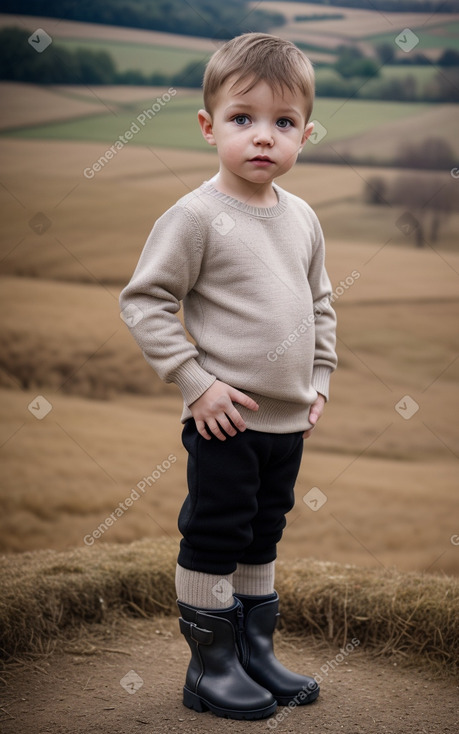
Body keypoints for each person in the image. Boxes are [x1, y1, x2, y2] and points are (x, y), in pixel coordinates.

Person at [119, 32, 337, 721]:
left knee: (262, 531)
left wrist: (322, 376)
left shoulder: (302, 218)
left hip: (286, 419)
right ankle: (210, 669)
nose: (263, 137)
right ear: (209, 127)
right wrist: (195, 383)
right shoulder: (195, 217)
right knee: (215, 533)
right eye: (243, 120)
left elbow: (321, 303)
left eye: (283, 122)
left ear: (305, 132)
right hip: (225, 418)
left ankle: (254, 653)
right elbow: (145, 302)